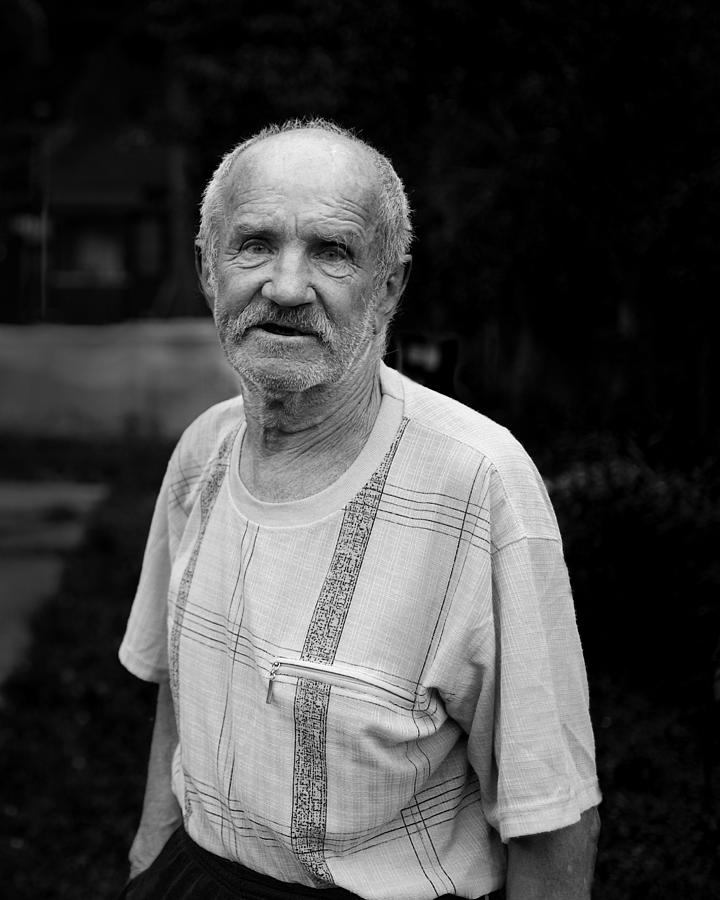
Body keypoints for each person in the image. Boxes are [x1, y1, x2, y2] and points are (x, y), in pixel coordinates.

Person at [118, 118, 601, 900]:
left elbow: (548, 814)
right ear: (208, 268)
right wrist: (149, 853)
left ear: (391, 283)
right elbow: (183, 687)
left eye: (333, 251)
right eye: (254, 244)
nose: (284, 286)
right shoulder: (202, 452)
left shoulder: (479, 482)